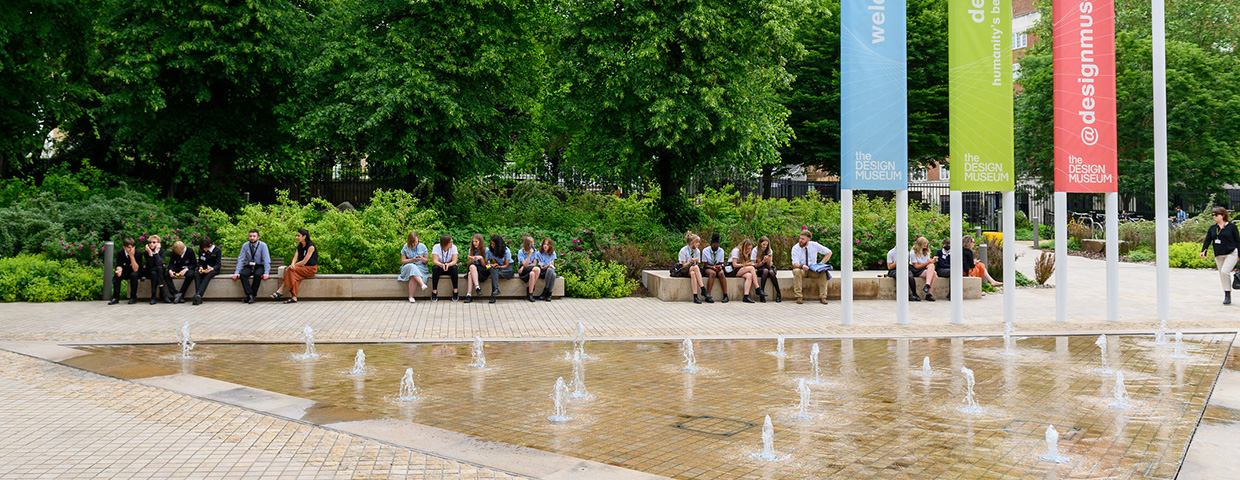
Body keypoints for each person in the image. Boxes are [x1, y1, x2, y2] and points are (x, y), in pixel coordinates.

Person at [1199, 206, 1239, 305]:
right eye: (1213, 215)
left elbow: (1238, 241)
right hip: (1219, 254)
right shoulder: (1213, 228)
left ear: (1223, 215)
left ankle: (1227, 295)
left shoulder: (1232, 227)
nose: (1214, 217)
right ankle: (1227, 294)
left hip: (1231, 252)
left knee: (1225, 271)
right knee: (1222, 274)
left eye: (1216, 215)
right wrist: (1204, 250)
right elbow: (1208, 240)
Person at [271, 228, 317, 304]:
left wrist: (292, 266)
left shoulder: (311, 247)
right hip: (302, 268)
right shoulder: (299, 246)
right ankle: (294, 297)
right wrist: (292, 264)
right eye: (296, 235)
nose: (296, 237)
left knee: (290, 270)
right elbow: (295, 256)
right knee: (294, 277)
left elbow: (304, 261)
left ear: (304, 237)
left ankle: (280, 290)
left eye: (298, 236)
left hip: (311, 269)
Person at [790, 230, 832, 305]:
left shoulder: (814, 245)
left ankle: (823, 297)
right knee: (797, 271)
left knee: (824, 272)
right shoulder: (796, 248)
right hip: (801, 269)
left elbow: (829, 252)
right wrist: (801, 266)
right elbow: (795, 263)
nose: (800, 240)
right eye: (800, 238)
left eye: (803, 239)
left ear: (808, 240)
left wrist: (821, 264)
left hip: (813, 269)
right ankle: (799, 297)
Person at [231, 229, 271, 304]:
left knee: (257, 275)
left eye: (254, 236)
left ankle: (253, 295)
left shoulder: (263, 245)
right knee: (243, 275)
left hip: (259, 265)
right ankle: (250, 294)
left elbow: (266, 260)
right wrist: (236, 272)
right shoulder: (245, 245)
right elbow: (241, 259)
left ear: (258, 237)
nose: (252, 238)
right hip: (249, 265)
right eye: (250, 236)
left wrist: (266, 272)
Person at [673, 232, 711, 304]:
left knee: (693, 273)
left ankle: (695, 296)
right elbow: (684, 265)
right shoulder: (683, 250)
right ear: (693, 243)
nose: (699, 244)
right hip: (684, 269)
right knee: (696, 268)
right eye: (697, 242)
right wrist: (689, 262)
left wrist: (696, 261)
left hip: (692, 269)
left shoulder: (697, 251)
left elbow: (697, 263)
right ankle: (703, 289)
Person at [397, 231, 430, 302]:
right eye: (413, 243)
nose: (414, 244)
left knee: (413, 275)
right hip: (408, 266)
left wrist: (422, 259)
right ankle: (422, 284)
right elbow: (403, 261)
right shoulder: (405, 247)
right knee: (412, 267)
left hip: (420, 267)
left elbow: (426, 261)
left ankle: (411, 297)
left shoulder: (423, 246)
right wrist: (412, 260)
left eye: (416, 242)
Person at [109, 238, 143, 305]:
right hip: (125, 271)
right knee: (117, 276)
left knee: (134, 275)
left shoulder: (138, 253)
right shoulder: (120, 253)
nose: (131, 249)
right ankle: (115, 298)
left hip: (136, 272)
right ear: (124, 247)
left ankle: (133, 297)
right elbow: (119, 265)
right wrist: (119, 270)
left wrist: (132, 256)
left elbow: (136, 269)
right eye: (129, 248)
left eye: (132, 247)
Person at [142, 234, 173, 304]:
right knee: (155, 270)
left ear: (158, 243)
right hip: (149, 271)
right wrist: (150, 253)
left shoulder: (162, 252)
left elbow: (159, 263)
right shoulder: (146, 252)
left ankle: (153, 296)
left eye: (154, 242)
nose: (151, 244)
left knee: (155, 273)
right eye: (150, 242)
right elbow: (151, 265)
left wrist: (156, 252)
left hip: (158, 272)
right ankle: (162, 292)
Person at [729, 238, 760, 303]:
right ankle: (757, 288)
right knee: (751, 268)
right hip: (731, 270)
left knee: (749, 275)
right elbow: (734, 265)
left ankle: (746, 296)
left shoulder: (746, 253)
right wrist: (746, 264)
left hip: (739, 269)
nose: (749, 250)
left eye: (750, 248)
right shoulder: (736, 251)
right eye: (748, 248)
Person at [192, 236, 221, 305]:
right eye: (203, 248)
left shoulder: (217, 250)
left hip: (213, 269)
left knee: (208, 276)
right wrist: (201, 267)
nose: (205, 249)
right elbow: (201, 262)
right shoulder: (201, 250)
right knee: (197, 275)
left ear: (210, 245)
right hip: (204, 269)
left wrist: (212, 269)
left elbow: (218, 264)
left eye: (206, 248)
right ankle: (198, 297)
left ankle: (198, 295)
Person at [485, 235, 514, 304]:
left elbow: (506, 265)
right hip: (498, 268)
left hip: (507, 269)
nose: (492, 245)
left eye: (493, 244)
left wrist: (498, 267)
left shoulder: (506, 251)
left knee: (494, 274)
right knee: (492, 270)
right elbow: (495, 263)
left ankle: (493, 295)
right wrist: (494, 265)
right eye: (491, 243)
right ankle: (495, 290)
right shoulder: (492, 251)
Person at [751, 236, 781, 303]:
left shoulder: (769, 250)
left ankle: (778, 293)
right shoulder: (755, 250)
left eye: (766, 245)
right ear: (760, 244)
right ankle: (762, 294)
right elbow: (754, 265)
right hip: (759, 268)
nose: (765, 246)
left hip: (767, 266)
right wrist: (763, 261)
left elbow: (770, 264)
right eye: (763, 244)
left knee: (771, 272)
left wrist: (769, 261)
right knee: (765, 271)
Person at [702, 233, 729, 303]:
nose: (715, 248)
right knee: (713, 274)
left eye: (717, 247)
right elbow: (705, 264)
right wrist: (712, 267)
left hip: (717, 267)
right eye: (714, 246)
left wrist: (719, 267)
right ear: (711, 244)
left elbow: (721, 263)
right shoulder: (705, 251)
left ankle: (725, 295)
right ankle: (708, 295)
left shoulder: (721, 251)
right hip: (708, 267)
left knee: (722, 274)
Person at [462, 234, 490, 304]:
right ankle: (477, 288)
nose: (474, 243)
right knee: (471, 268)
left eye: (476, 241)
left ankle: (469, 295)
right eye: (473, 241)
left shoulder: (486, 250)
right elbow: (470, 263)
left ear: (480, 242)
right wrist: (472, 259)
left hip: (483, 269)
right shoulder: (471, 250)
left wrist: (481, 258)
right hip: (474, 269)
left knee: (470, 274)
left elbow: (485, 265)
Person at [431, 235, 459, 301]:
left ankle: (455, 291)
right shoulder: (436, 247)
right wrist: (441, 265)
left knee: (454, 268)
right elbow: (435, 261)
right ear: (445, 243)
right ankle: (434, 292)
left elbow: (454, 261)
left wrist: (448, 264)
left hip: (449, 265)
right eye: (450, 242)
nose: (452, 243)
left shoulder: (454, 247)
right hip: (440, 265)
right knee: (435, 268)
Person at [909, 236, 937, 301]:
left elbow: (927, 264)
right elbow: (916, 266)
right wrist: (928, 262)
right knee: (934, 273)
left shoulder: (927, 252)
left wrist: (932, 261)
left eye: (926, 245)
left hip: (924, 269)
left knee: (932, 267)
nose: (925, 246)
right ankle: (929, 294)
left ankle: (927, 286)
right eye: (924, 245)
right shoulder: (913, 253)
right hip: (916, 270)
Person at [517, 236, 543, 302]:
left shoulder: (535, 251)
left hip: (529, 268)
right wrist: (529, 255)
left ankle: (530, 293)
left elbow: (534, 263)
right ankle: (531, 288)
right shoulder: (521, 252)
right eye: (531, 245)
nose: (533, 246)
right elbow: (524, 264)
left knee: (532, 273)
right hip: (523, 271)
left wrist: (524, 266)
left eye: (533, 244)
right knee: (537, 269)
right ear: (527, 245)